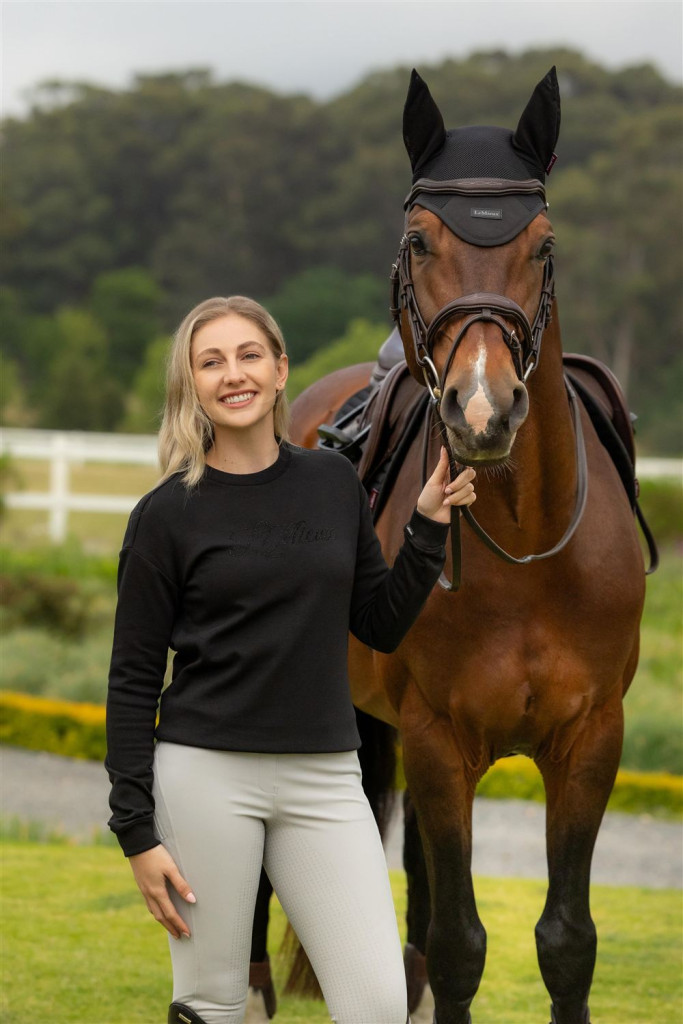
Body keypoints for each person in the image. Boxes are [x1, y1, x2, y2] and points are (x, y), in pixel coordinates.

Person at [105, 295, 476, 1024]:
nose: (232, 374)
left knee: (377, 1004)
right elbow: (132, 681)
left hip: (325, 778)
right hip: (205, 778)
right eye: (210, 362)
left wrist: (427, 528)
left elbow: (379, 624)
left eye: (249, 355)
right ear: (191, 384)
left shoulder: (333, 483)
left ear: (280, 369)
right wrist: (137, 833)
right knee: (214, 1004)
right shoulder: (165, 515)